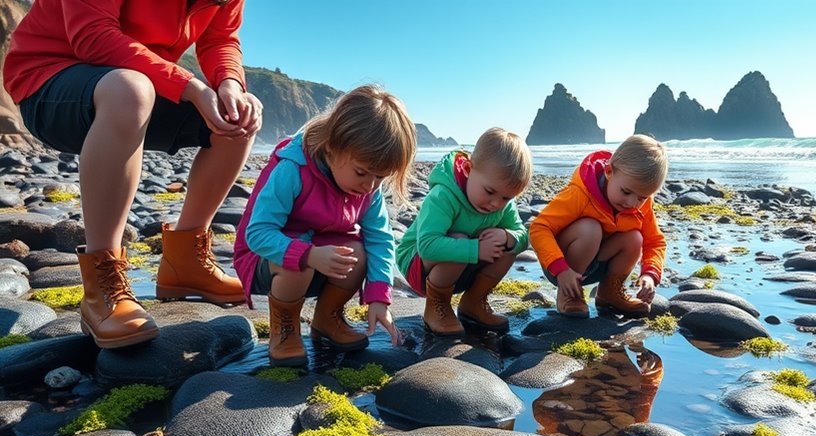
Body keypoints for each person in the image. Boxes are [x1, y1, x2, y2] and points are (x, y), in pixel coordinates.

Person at [2, 0, 262, 348]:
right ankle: (102, 288)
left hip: (139, 82)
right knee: (130, 89)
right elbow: (92, 36)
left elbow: (221, 40)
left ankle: (186, 264)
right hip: (47, 77)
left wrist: (230, 84)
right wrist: (190, 86)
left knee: (238, 116)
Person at [234, 85, 414, 367]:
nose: (369, 185)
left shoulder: (368, 190)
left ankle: (327, 318)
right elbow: (257, 234)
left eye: (380, 177)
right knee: (299, 264)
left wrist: (380, 297)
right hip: (265, 261)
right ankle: (285, 329)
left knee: (358, 253)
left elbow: (380, 239)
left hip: (322, 260)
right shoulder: (292, 169)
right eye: (361, 173)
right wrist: (308, 254)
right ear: (332, 148)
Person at [395, 128, 531, 336]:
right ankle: (437, 306)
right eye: (489, 191)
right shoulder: (443, 196)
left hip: (462, 268)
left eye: (506, 198)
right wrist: (475, 249)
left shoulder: (502, 204)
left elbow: (522, 236)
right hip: (418, 265)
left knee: (506, 245)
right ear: (468, 168)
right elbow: (428, 246)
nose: (496, 203)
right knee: (458, 239)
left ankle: (474, 303)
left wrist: (508, 237)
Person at [529, 134, 668, 318]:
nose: (632, 203)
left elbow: (655, 241)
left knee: (635, 238)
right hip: (561, 265)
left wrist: (650, 274)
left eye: (642, 197)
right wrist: (561, 270)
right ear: (609, 171)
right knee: (590, 229)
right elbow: (539, 228)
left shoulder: (640, 205)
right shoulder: (581, 194)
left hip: (597, 264)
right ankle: (569, 295)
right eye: (626, 192)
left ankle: (609, 293)